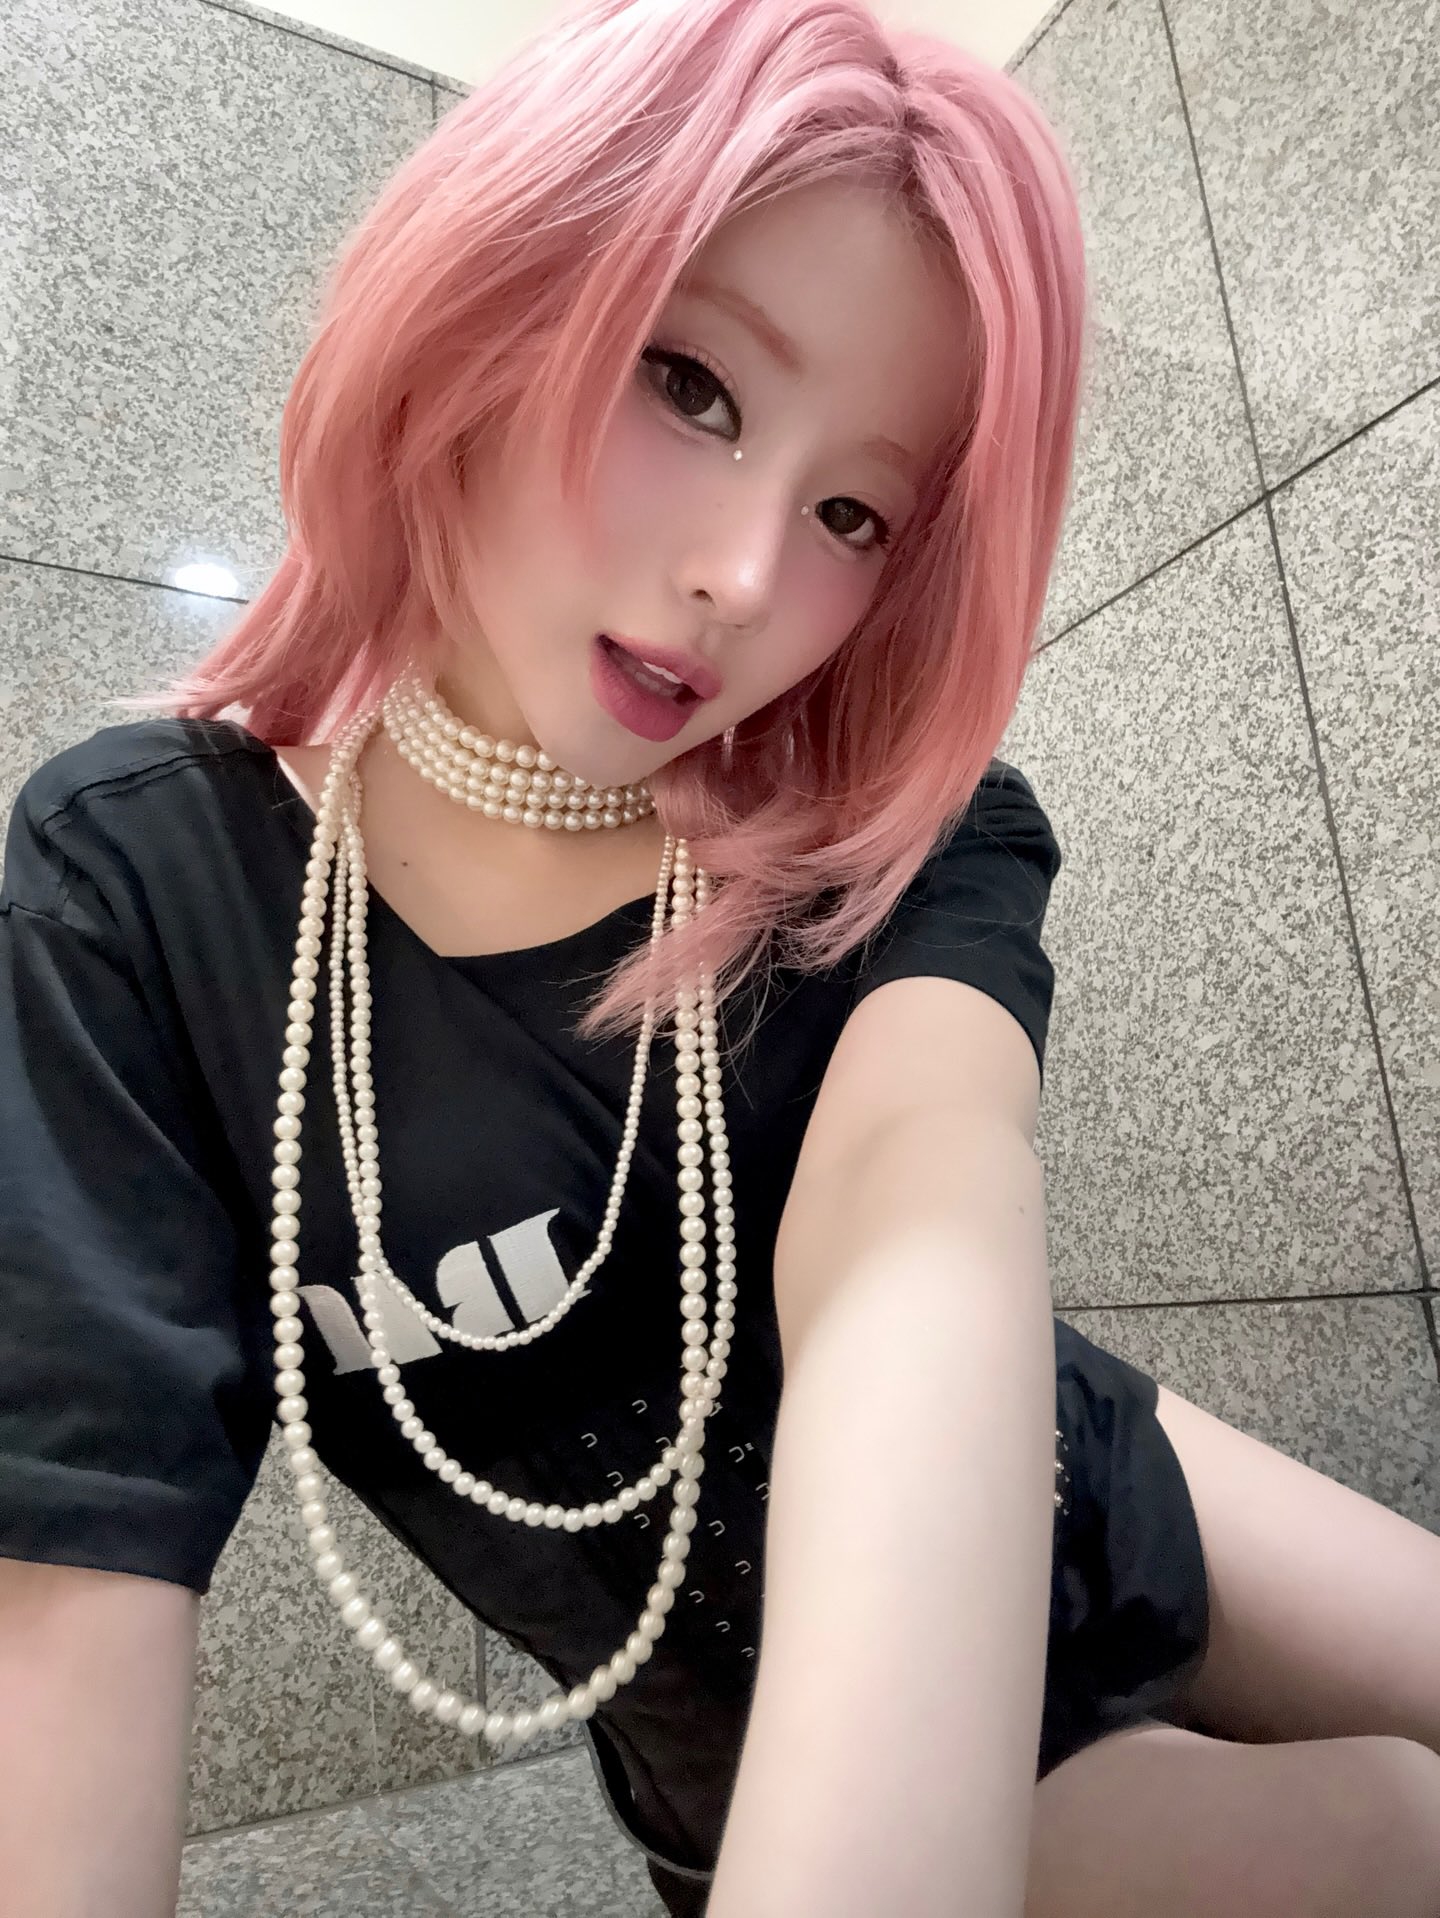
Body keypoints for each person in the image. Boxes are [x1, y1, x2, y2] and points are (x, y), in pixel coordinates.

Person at [3, 1, 1439, 1913]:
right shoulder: (137, 891)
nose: (749, 578)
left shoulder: (882, 825)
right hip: (754, 1741)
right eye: (691, 385)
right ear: (500, 291)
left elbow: (921, 1199)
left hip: (1084, 1468)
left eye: (853, 511)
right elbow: (68, 1587)